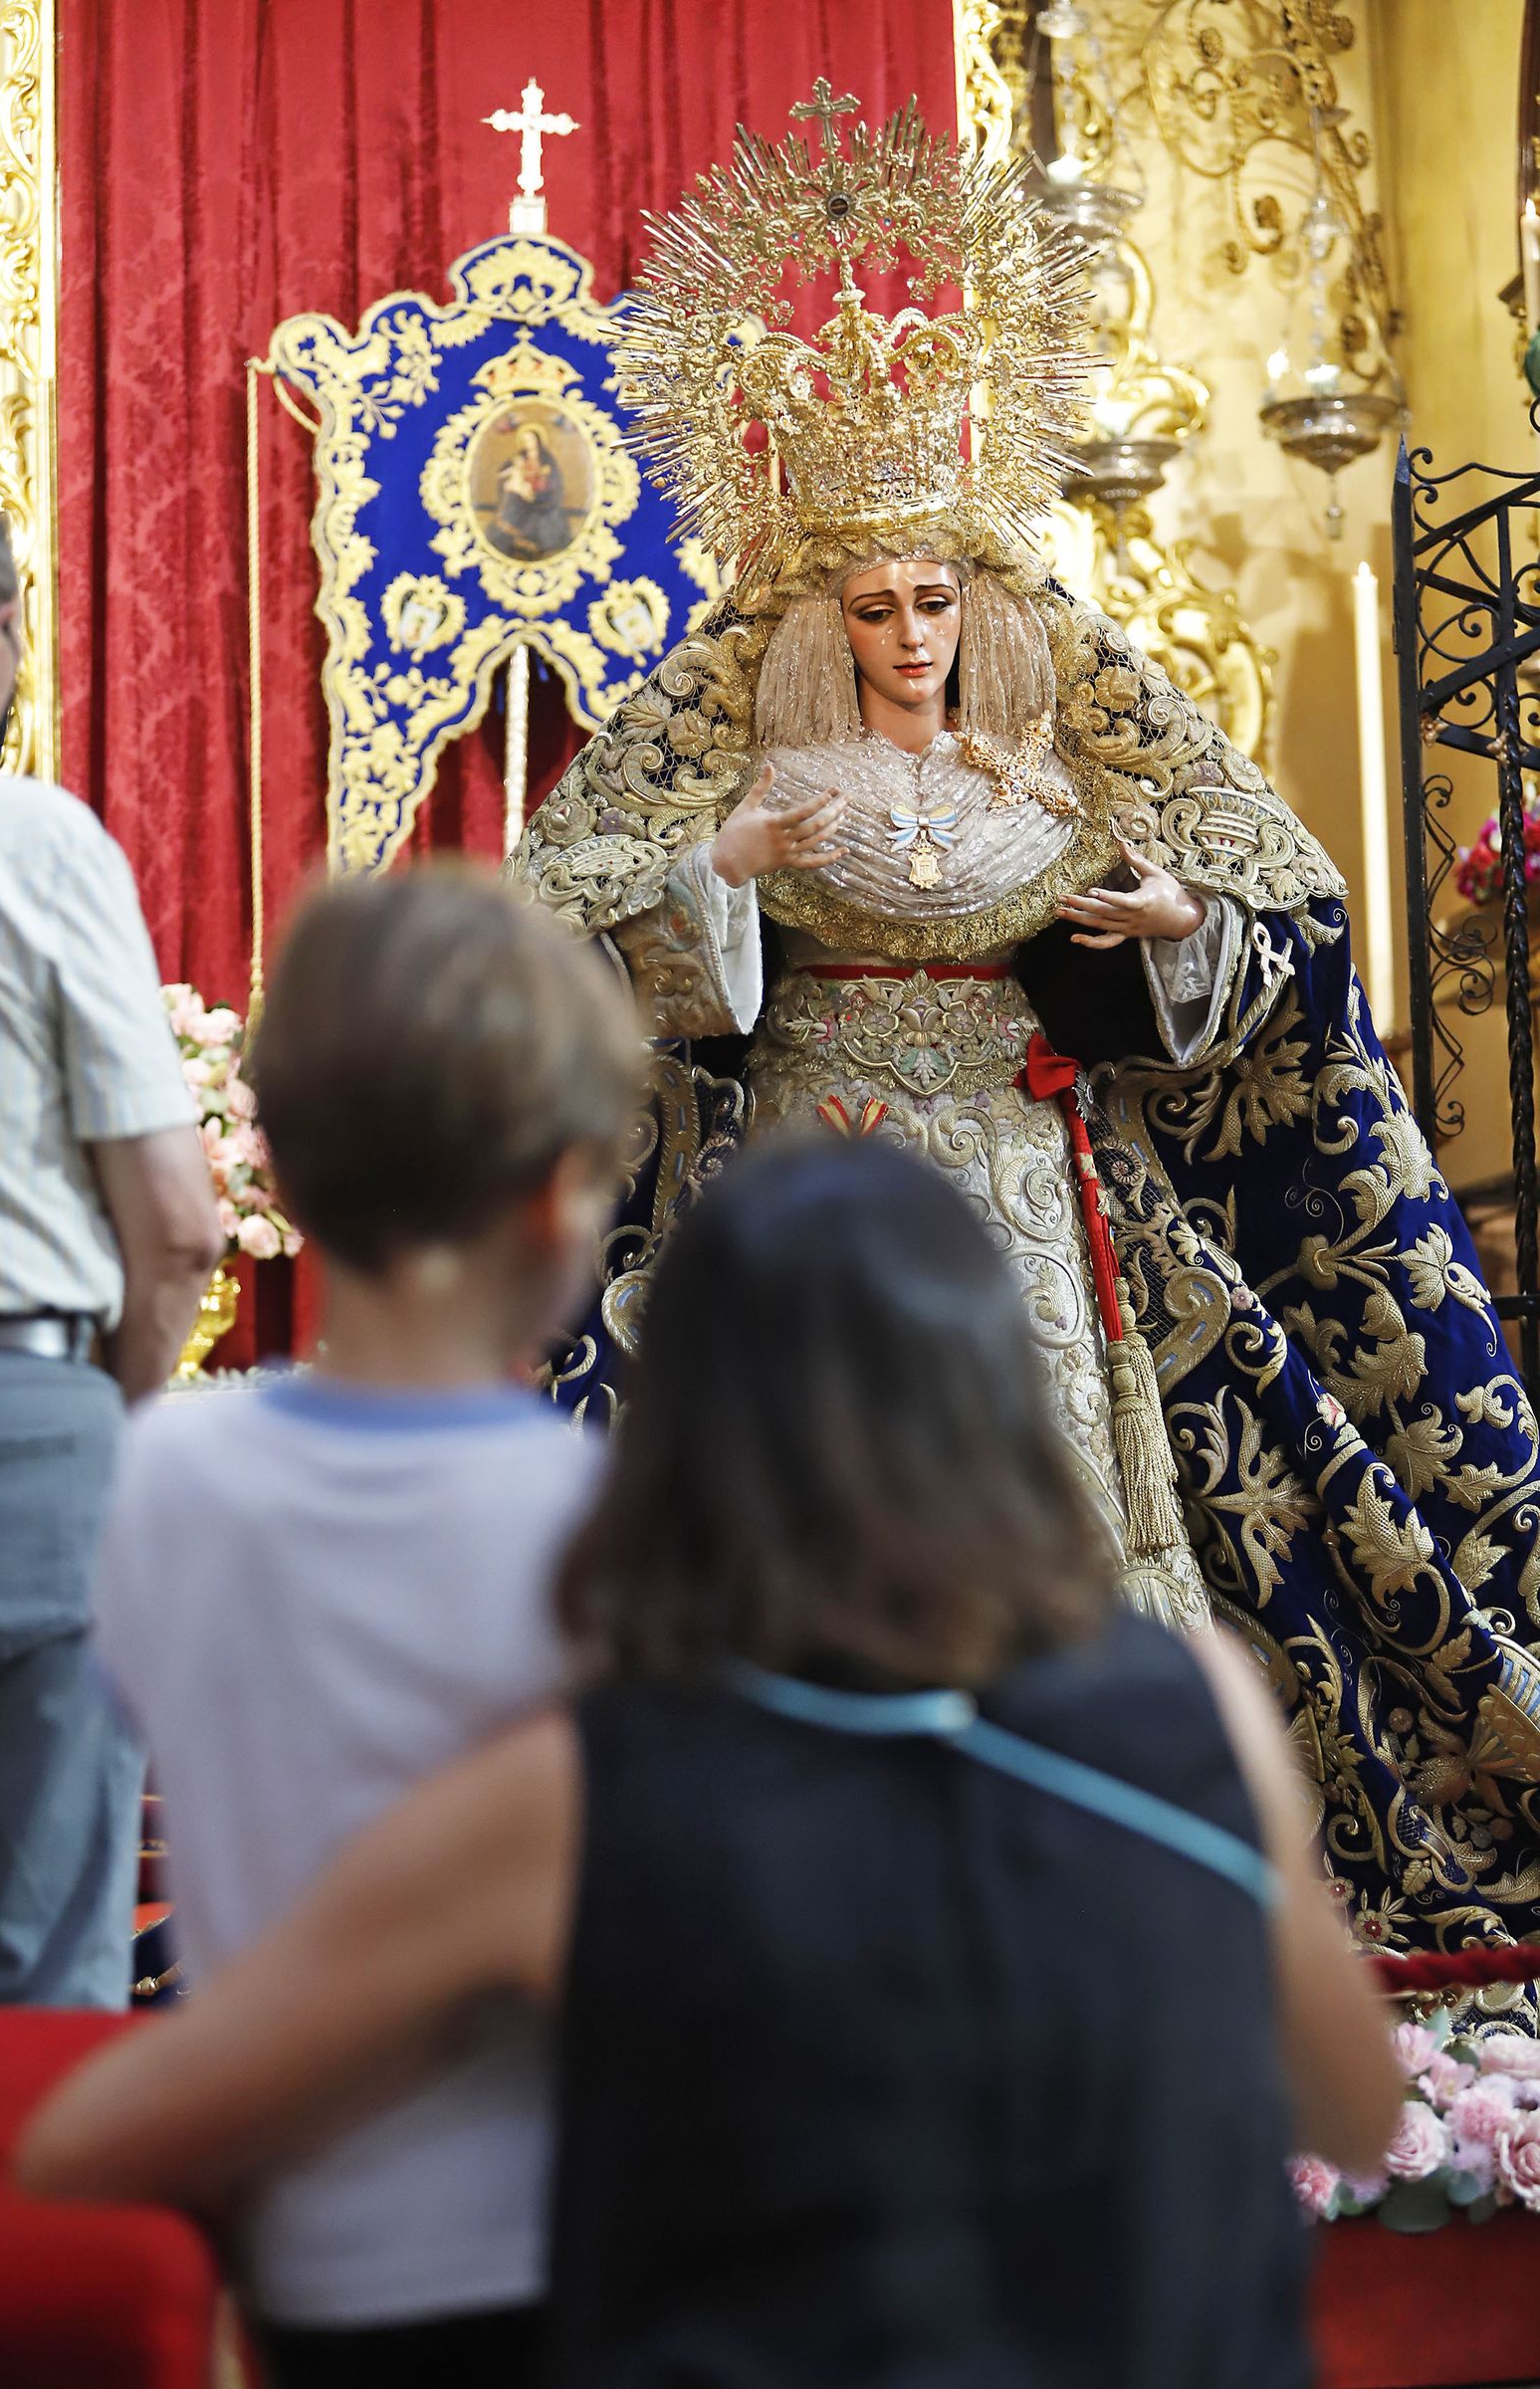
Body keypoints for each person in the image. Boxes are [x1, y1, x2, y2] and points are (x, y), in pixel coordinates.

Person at [516, 90, 1540, 1971]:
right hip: (809, 1159)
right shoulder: (726, 730)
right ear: (818, 609)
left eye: (937, 598)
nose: (912, 633)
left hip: (1021, 1146)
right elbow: (546, 926)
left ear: (982, 598)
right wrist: (720, 874)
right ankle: (814, 1847)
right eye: (876, 604)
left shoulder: (1071, 728)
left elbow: (1276, 907)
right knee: (817, 1477)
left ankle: (1084, 1835)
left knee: (1052, 1461)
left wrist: (1170, 934)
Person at [19, 1138, 1400, 2387]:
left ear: (677, 1428)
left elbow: (104, 2142)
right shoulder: (1197, 1695)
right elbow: (1353, 2110)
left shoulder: (578, 1797)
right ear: (1004, 1391)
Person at [81, 865, 644, 2387]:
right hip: (571, 2235)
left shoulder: (164, 1483)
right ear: (558, 1199)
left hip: (293, 2239)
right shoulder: (602, 1533)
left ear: (284, 1175)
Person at [0, 477, 222, 2009]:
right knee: (27, 1977)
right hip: (11, 1421)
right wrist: (101, 1415)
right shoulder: (35, 843)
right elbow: (179, 1230)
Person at [490, 426, 570, 561]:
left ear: (537, 441)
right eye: (525, 440)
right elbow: (503, 472)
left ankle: (531, 542)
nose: (528, 443)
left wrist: (543, 482)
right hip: (520, 494)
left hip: (541, 496)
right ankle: (517, 538)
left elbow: (555, 479)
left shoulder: (546, 457)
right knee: (512, 495)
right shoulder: (519, 456)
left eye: (530, 440)